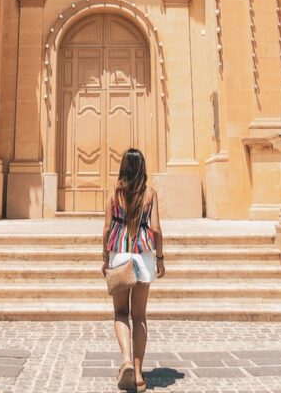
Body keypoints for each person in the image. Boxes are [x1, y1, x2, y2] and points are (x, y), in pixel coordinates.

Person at [101, 148, 164, 392]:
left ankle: (126, 359)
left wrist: (104, 258)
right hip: (143, 257)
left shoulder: (114, 193)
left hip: (120, 256)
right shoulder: (150, 193)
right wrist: (160, 258)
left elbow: (107, 228)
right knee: (140, 317)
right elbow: (156, 228)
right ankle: (138, 375)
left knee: (120, 314)